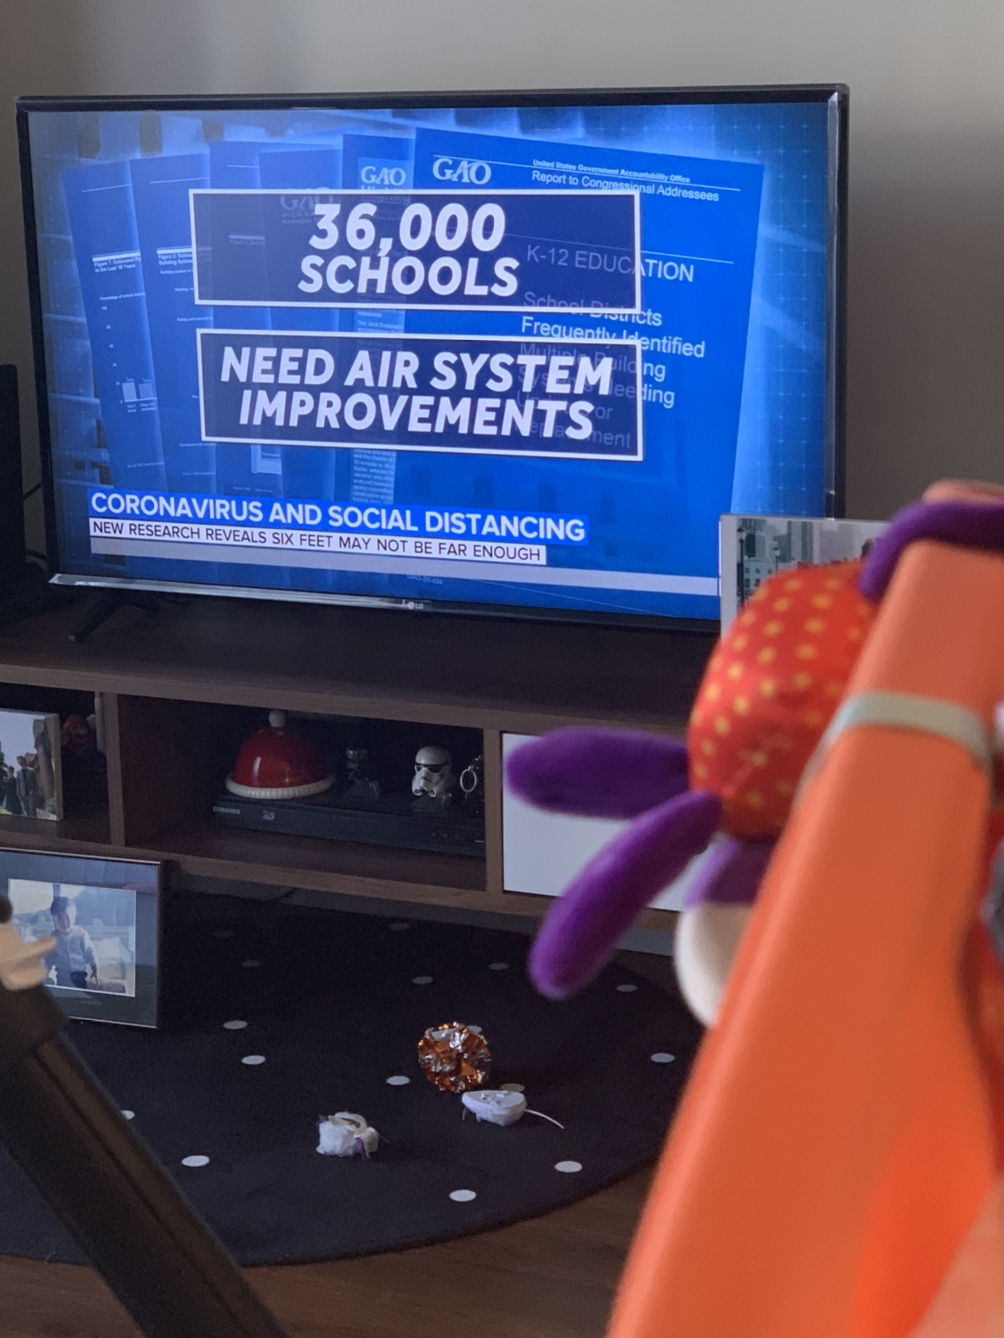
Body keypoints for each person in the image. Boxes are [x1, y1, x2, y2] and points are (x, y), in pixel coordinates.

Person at [44, 893, 100, 990]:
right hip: (62, 978)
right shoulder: (53, 938)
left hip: (80, 976)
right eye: (59, 918)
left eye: (67, 917)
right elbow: (49, 959)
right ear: (54, 920)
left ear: (73, 917)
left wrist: (95, 969)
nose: (64, 922)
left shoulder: (81, 934)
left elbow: (90, 953)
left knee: (81, 994)